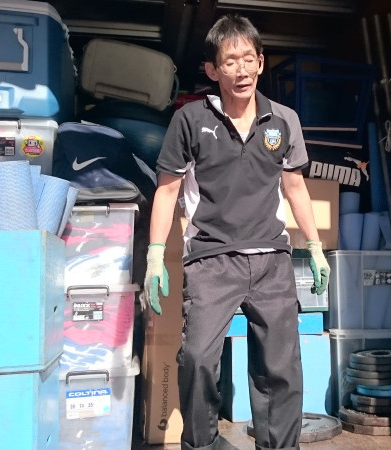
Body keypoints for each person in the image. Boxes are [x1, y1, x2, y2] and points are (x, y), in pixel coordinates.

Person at [142, 14, 331, 450]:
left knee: (280, 369)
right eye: (230, 61)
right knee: (197, 359)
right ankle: (201, 445)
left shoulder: (283, 120)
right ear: (213, 70)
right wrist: (155, 254)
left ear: (261, 62)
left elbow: (295, 187)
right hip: (211, 260)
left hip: (272, 261)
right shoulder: (191, 119)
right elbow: (167, 191)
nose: (241, 70)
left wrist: (315, 246)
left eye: (249, 59)